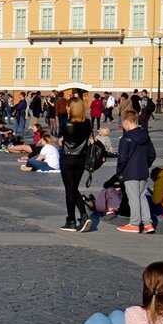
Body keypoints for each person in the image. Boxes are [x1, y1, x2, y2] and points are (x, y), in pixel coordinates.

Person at [58, 96, 96, 232]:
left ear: (71, 108)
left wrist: (62, 140)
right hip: (81, 159)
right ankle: (84, 215)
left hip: (67, 159)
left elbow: (61, 137)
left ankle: (71, 221)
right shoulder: (87, 123)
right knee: (74, 188)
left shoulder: (65, 123)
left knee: (70, 190)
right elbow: (89, 139)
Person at [115, 110, 156, 233]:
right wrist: (145, 165)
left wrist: (119, 172)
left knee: (133, 198)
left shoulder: (126, 138)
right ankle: (148, 224)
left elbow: (122, 158)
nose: (123, 126)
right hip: (142, 171)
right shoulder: (145, 135)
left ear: (127, 122)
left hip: (130, 172)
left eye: (123, 123)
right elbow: (152, 154)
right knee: (142, 197)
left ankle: (134, 223)